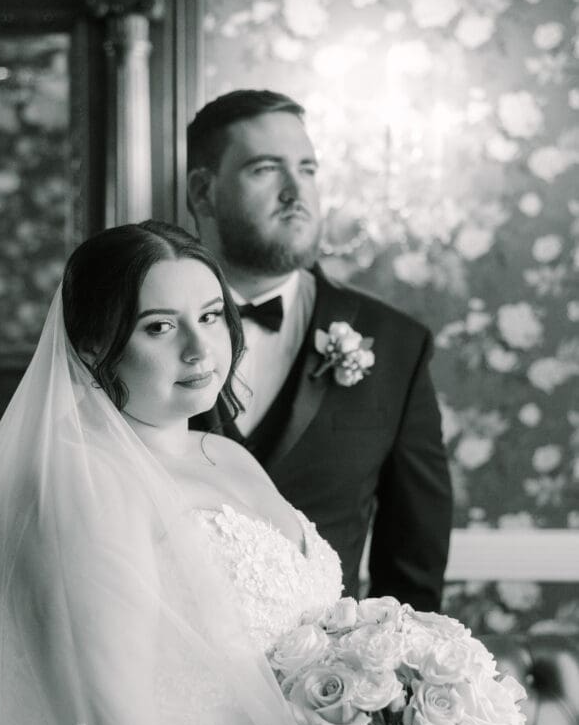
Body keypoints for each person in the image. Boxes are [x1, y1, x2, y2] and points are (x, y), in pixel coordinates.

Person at [0, 222, 490, 725]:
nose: (198, 346)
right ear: (96, 347)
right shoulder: (87, 480)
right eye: (157, 327)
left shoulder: (225, 456)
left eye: (210, 316)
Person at [187, 89, 453, 611]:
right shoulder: (134, 332)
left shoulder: (397, 344)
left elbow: (413, 563)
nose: (297, 192)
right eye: (266, 169)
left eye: (307, 169)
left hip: (328, 683)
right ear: (203, 193)